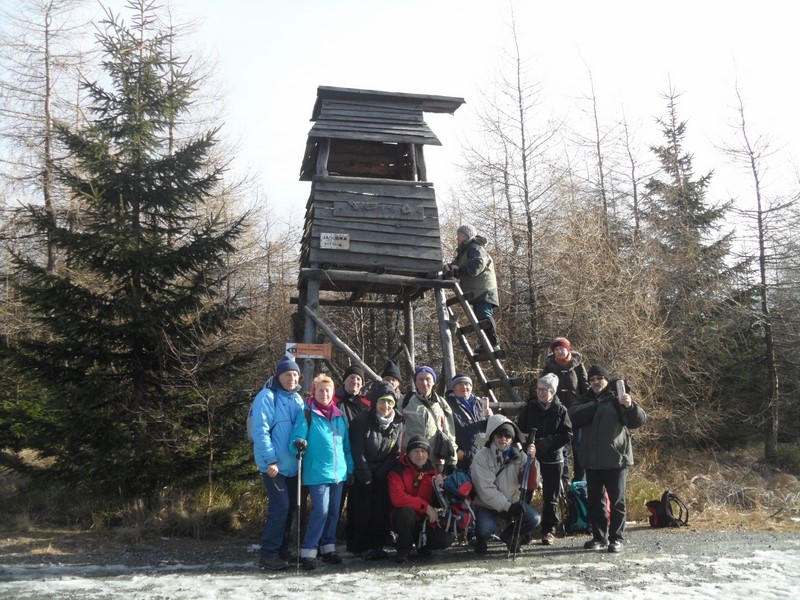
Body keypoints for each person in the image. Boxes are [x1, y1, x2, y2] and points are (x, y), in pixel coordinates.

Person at [569, 365, 646, 554]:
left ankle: (616, 539)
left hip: (615, 461)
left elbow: (638, 421)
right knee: (595, 501)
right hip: (592, 461)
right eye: (592, 379)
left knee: (617, 501)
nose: (596, 382)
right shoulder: (584, 400)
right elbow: (572, 417)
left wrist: (629, 405)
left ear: (606, 380)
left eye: (599, 378)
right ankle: (599, 537)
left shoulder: (617, 400)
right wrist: (596, 404)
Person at [290, 374, 354, 570]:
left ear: (333, 392)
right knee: (322, 511)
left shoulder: (339, 416)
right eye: (321, 390)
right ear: (314, 391)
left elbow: (346, 446)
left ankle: (328, 547)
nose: (325, 394)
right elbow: (296, 439)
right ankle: (309, 549)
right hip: (317, 472)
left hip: (339, 473)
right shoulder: (307, 414)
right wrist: (298, 444)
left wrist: (349, 467)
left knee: (334, 512)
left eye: (328, 390)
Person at [248, 355, 305, 570]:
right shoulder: (266, 397)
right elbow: (260, 432)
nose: (291, 378)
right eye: (287, 374)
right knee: (280, 507)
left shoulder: (298, 399)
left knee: (289, 508)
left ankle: (282, 550)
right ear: (278, 376)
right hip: (273, 466)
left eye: (295, 374)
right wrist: (270, 460)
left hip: (293, 466)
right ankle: (268, 553)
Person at [346, 381, 404, 560]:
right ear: (375, 402)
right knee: (362, 510)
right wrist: (366, 474)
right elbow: (356, 449)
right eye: (382, 402)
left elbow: (395, 451)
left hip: (381, 473)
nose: (385, 406)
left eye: (389, 402)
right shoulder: (362, 420)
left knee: (380, 511)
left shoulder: (397, 422)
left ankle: (377, 545)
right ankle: (360, 546)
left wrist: (381, 472)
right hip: (362, 473)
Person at [470, 414, 542, 554]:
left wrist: (532, 459)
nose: (503, 439)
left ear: (512, 439)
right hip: (485, 505)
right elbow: (486, 490)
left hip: (511, 502)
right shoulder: (481, 457)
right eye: (499, 435)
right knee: (485, 528)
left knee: (534, 519)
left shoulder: (521, 455)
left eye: (508, 436)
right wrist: (509, 507)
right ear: (492, 436)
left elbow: (532, 483)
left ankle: (510, 537)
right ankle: (480, 539)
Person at [516, 373, 573, 545]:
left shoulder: (561, 410)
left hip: (553, 458)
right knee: (526, 493)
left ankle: (549, 530)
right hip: (531, 457)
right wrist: (528, 444)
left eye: (545, 390)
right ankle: (522, 530)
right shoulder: (529, 407)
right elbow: (520, 431)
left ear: (553, 392)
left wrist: (546, 442)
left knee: (551, 496)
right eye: (539, 389)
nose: (541, 392)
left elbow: (567, 435)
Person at [387, 435, 453, 562]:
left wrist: (442, 487)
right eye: (416, 451)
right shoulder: (397, 470)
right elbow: (398, 498)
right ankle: (403, 550)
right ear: (409, 454)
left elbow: (439, 502)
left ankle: (421, 545)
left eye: (423, 451)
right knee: (407, 512)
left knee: (445, 539)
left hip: (423, 520)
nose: (420, 455)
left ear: (428, 454)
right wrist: (426, 507)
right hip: (401, 518)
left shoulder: (433, 471)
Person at [542, 337, 589, 483]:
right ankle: (564, 479)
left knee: (578, 446)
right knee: (560, 447)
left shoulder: (578, 365)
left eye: (562, 348)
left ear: (568, 349)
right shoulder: (549, 367)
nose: (559, 351)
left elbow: (585, 386)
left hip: (576, 413)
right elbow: (543, 386)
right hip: (557, 413)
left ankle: (580, 480)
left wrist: (586, 405)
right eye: (556, 349)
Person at [449, 224, 501, 350]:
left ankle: (494, 343)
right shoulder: (464, 251)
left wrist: (460, 269)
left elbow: (477, 266)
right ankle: (487, 344)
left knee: (484, 314)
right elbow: (454, 265)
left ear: (466, 236)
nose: (457, 238)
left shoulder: (474, 248)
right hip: (477, 289)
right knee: (480, 317)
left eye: (459, 235)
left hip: (484, 289)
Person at [400, 366, 458, 470]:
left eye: (428, 379)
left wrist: (452, 460)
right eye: (420, 379)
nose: (424, 383)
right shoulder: (405, 400)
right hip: (410, 459)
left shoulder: (441, 403)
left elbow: (449, 432)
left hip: (436, 460)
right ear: (416, 382)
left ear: (434, 382)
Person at [444, 373, 492, 472]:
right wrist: (457, 452)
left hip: (483, 457)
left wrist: (490, 418)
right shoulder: (447, 405)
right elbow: (442, 432)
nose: (464, 387)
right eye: (460, 384)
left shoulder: (479, 403)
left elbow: (489, 429)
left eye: (467, 384)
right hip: (463, 460)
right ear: (454, 388)